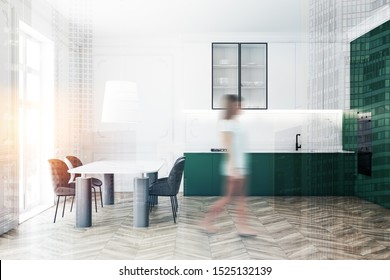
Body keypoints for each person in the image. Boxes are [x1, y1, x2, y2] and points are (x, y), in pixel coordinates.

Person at [202, 94, 256, 236]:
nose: (240, 107)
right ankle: (207, 222)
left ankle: (241, 227)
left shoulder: (236, 123)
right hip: (234, 168)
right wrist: (234, 168)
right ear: (232, 106)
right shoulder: (227, 123)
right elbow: (227, 145)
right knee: (229, 198)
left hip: (240, 167)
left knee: (239, 199)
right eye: (238, 104)